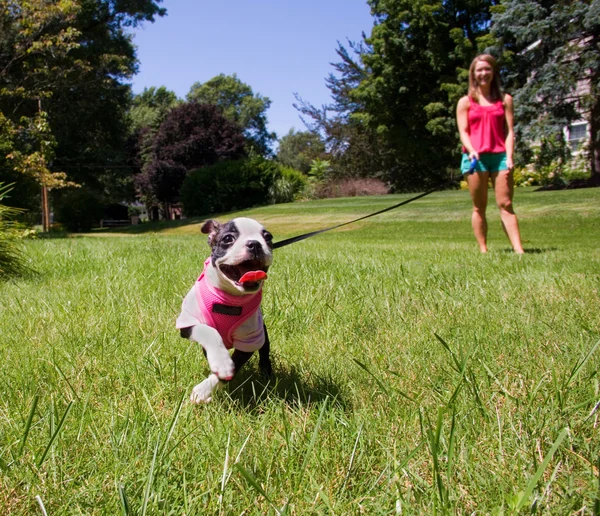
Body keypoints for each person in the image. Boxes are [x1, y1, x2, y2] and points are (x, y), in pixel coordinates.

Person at [456, 54, 525, 254]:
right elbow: (464, 131)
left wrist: (510, 156)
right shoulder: (466, 102)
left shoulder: (505, 100)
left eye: (487, 69)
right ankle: (483, 249)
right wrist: (471, 150)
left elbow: (509, 131)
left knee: (506, 203)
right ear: (473, 74)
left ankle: (518, 250)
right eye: (479, 70)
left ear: (493, 72)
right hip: (475, 159)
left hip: (500, 155)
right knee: (479, 206)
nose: (483, 73)